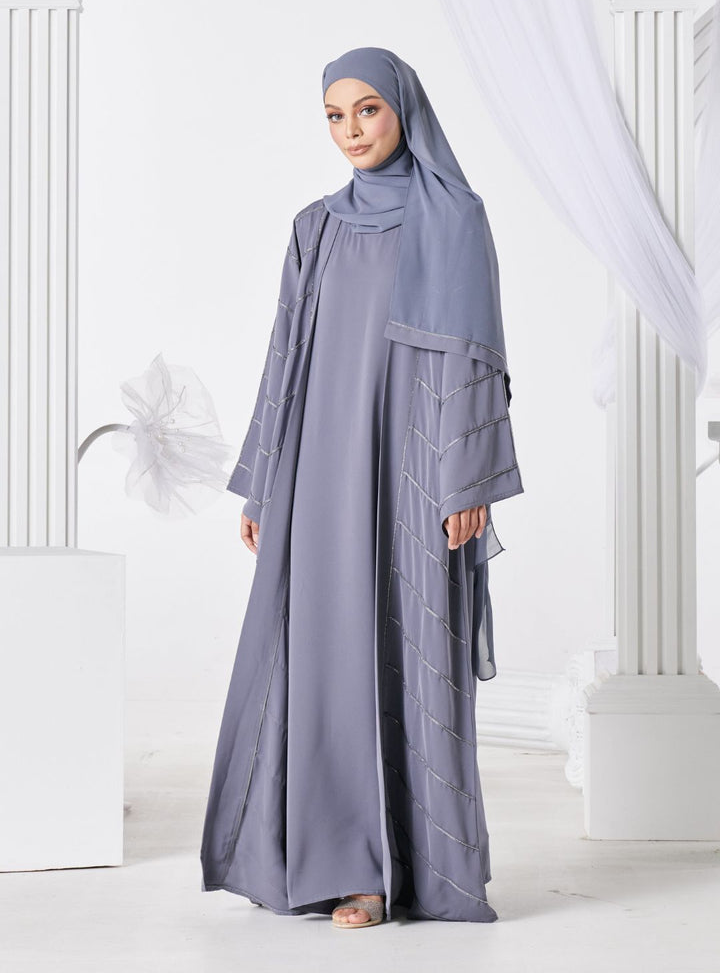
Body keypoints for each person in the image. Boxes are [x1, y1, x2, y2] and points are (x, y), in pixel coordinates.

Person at [200, 47, 524, 929]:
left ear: (404, 110)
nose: (351, 131)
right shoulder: (315, 227)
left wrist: (467, 478)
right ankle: (334, 862)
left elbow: (475, 358)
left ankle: (398, 871)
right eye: (335, 116)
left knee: (413, 648)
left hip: (416, 466)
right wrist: (262, 484)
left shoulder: (454, 220)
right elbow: (284, 358)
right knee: (323, 655)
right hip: (317, 469)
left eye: (367, 110)